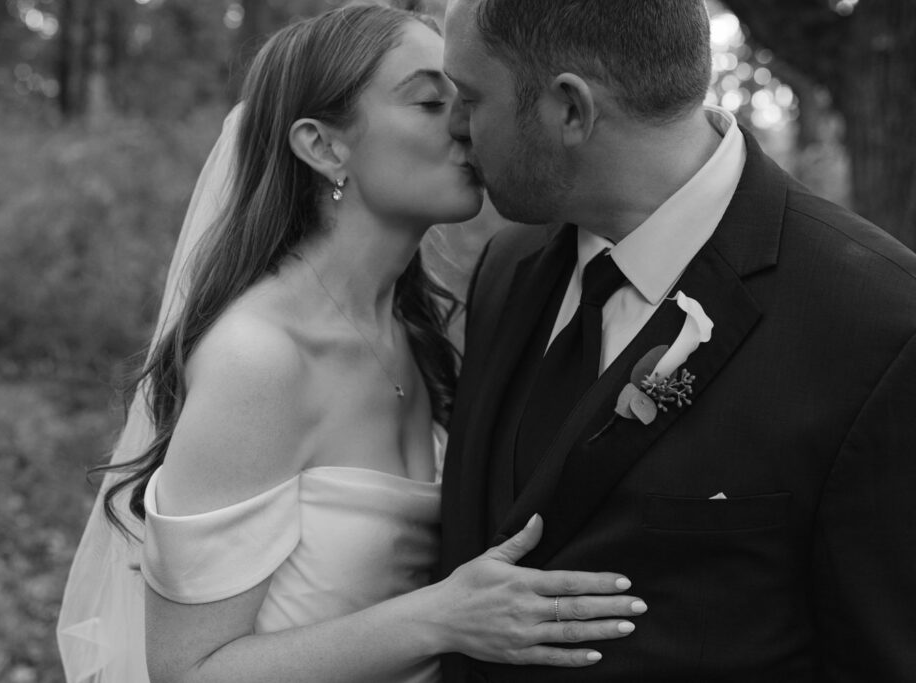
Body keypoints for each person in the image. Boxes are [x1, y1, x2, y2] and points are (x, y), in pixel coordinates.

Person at [57, 6, 649, 683]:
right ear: (324, 146)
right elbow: (189, 670)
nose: (466, 123)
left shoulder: (414, 334)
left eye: (466, 97)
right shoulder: (260, 357)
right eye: (430, 102)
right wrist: (441, 618)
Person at [437, 0, 916, 681]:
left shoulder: (880, 326)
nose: (456, 126)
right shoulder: (507, 264)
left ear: (570, 109)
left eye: (470, 97)